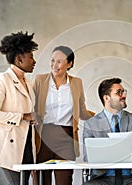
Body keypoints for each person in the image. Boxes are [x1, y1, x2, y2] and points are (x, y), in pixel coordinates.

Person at [32, 45, 94, 185]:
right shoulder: (39, 80)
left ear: (69, 64)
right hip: (42, 137)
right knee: (41, 181)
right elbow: (31, 108)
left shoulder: (76, 83)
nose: (54, 65)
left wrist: (103, 117)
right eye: (52, 60)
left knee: (64, 181)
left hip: (66, 139)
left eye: (59, 61)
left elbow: (82, 112)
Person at [0, 31, 39, 185]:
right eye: (31, 57)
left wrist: (33, 118)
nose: (34, 61)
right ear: (19, 59)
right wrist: (23, 116)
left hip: (26, 144)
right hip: (8, 145)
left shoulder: (27, 82)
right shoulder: (2, 79)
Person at [83, 78, 132, 185]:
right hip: (102, 178)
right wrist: (112, 153)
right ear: (107, 98)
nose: (124, 95)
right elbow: (87, 157)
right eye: (118, 93)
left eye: (123, 92)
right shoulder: (91, 124)